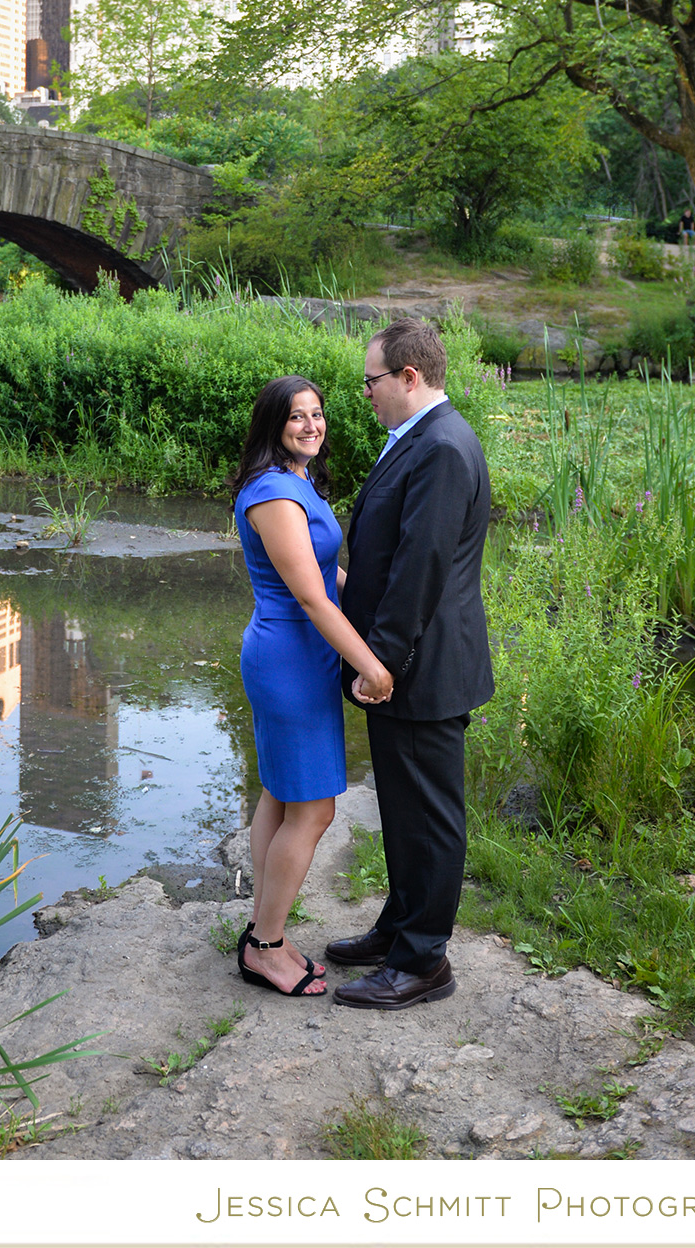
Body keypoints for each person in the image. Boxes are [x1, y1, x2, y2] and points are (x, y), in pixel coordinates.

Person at [328, 318, 494, 1011]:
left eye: (370, 381)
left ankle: (424, 961)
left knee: (428, 816)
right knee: (401, 808)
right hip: (406, 666)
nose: (364, 393)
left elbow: (421, 567)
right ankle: (400, 926)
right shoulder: (418, 440)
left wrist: (380, 660)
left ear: (408, 378)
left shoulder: (443, 449)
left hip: (419, 667)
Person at [233, 375, 391, 999]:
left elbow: (329, 573)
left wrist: (378, 621)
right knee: (316, 806)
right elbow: (308, 595)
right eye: (297, 417)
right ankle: (266, 950)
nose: (311, 425)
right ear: (273, 425)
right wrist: (371, 665)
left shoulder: (298, 482)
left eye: (318, 414)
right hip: (289, 660)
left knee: (279, 793)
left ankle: (261, 932)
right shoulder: (273, 492)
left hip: (302, 656)